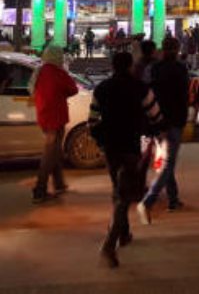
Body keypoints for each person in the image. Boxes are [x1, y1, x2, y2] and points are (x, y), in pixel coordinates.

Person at [88, 49, 164, 268]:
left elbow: (92, 121)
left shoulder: (101, 89)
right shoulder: (140, 89)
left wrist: (102, 140)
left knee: (119, 191)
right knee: (124, 197)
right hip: (131, 147)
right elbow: (156, 115)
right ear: (130, 66)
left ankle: (124, 233)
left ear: (113, 67)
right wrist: (158, 132)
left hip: (111, 149)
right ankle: (109, 245)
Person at [138, 36, 188, 220]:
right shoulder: (181, 69)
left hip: (157, 121)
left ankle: (173, 198)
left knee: (167, 161)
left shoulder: (154, 69)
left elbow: (147, 93)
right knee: (168, 163)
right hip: (174, 121)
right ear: (177, 48)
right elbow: (184, 96)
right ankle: (148, 201)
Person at [31, 45, 79, 204]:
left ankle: (59, 184)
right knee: (50, 152)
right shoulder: (58, 72)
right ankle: (39, 189)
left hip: (44, 116)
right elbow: (73, 89)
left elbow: (31, 89)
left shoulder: (40, 70)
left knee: (56, 149)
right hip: (56, 117)